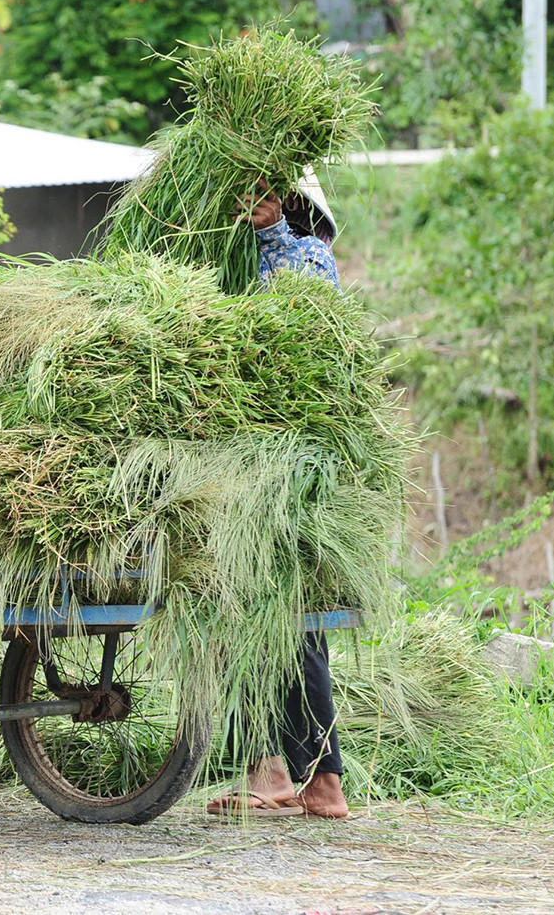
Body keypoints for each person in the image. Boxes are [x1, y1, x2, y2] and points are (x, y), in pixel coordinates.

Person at [205, 167, 350, 821]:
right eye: (250, 198)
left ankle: (299, 774)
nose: (255, 208)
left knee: (274, 620)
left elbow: (296, 360)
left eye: (269, 197)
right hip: (258, 465)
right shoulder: (243, 260)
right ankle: (296, 776)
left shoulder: (307, 258)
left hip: (287, 468)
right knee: (269, 622)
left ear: (294, 205)